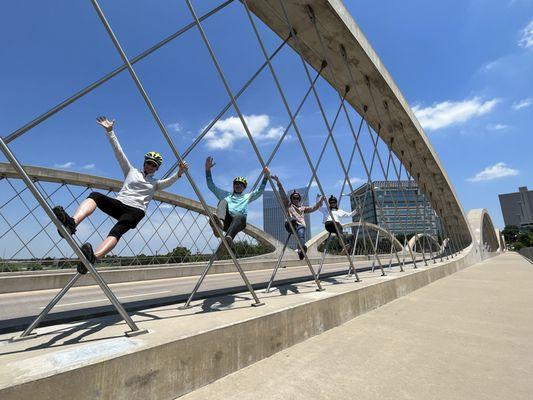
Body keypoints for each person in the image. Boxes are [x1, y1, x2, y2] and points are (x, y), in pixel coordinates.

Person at [52, 116, 188, 274]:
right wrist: (110, 132)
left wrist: (179, 173)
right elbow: (119, 153)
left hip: (135, 211)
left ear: (156, 169)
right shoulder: (131, 171)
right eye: (149, 163)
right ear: (144, 162)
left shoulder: (155, 183)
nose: (150, 166)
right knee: (95, 195)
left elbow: (170, 182)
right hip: (120, 204)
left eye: (154, 165)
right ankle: (72, 223)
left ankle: (94, 257)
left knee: (117, 231)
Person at [205, 156, 269, 256]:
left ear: (244, 188)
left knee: (239, 215)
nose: (238, 186)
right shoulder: (226, 195)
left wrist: (265, 177)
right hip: (226, 222)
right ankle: (219, 224)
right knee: (223, 201)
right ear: (233, 185)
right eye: (237, 184)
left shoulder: (247, 197)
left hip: (239, 222)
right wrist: (208, 170)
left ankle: (228, 239)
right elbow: (211, 186)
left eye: (241, 185)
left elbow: (260, 191)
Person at [272, 176, 324, 260]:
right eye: (294, 198)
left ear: (299, 199)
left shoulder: (302, 209)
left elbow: (313, 208)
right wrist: (278, 182)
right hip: (290, 224)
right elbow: (283, 194)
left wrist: (320, 202)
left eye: (297, 198)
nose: (296, 199)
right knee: (293, 220)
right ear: (291, 199)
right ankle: (293, 222)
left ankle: (301, 251)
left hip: (300, 226)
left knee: (301, 235)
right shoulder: (288, 205)